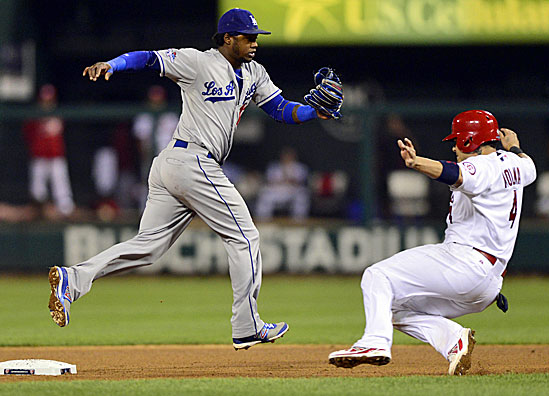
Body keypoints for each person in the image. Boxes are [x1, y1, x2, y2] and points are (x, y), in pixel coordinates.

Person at [48, 8, 339, 350]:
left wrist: (313, 111)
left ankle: (74, 279)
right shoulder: (197, 62)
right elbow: (148, 58)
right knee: (245, 237)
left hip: (182, 165)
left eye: (256, 37)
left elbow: (280, 109)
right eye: (247, 37)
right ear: (228, 38)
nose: (254, 42)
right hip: (190, 160)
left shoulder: (256, 73)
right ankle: (246, 326)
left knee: (148, 248)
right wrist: (113, 64)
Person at [328, 110, 537, 375]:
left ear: (469, 141)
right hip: (489, 284)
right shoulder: (516, 163)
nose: (454, 146)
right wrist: (515, 146)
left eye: (457, 140)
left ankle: (374, 343)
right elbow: (530, 166)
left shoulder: (482, 166)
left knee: (376, 275)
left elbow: (454, 174)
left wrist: (417, 163)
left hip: (465, 262)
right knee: (389, 304)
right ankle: (452, 339)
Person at [22, 84, 75, 219]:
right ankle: (39, 210)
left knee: (61, 185)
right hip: (39, 156)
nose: (47, 103)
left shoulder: (57, 114)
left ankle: (65, 210)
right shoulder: (34, 116)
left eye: (49, 100)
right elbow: (27, 134)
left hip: (56, 156)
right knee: (37, 188)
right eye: (44, 100)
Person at [132, 85, 180, 209]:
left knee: (172, 187)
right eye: (154, 97)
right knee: (147, 187)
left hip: (169, 157)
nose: (156, 100)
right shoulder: (144, 116)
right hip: (150, 157)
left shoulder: (170, 115)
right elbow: (140, 140)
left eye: (158, 97)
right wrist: (145, 157)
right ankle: (144, 216)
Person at [255, 147, 310, 221]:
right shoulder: (274, 167)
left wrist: (287, 180)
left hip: (293, 191)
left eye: (289, 155)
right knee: (265, 193)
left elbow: (300, 182)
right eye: (285, 155)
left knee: (302, 194)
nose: (287, 157)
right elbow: (269, 181)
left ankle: (299, 221)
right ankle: (262, 220)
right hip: (277, 191)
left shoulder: (300, 167)